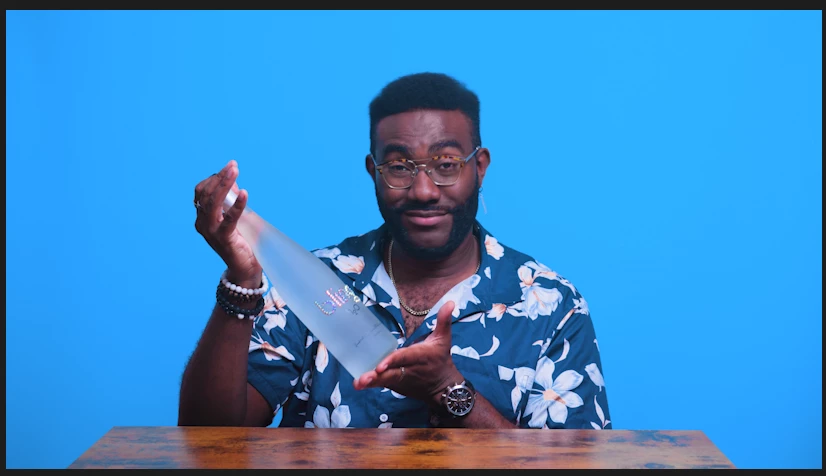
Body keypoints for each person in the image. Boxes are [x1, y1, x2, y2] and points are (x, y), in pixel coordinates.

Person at [179, 72, 611, 430]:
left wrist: (448, 390)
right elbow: (209, 440)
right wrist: (242, 281)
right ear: (373, 171)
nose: (423, 191)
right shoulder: (319, 281)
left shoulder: (550, 306)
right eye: (400, 167)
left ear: (479, 168)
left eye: (446, 164)